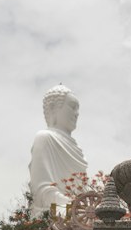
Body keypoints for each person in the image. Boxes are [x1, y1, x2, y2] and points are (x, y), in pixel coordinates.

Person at [29, 84, 88, 216]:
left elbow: (83, 190)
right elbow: (41, 190)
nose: (77, 113)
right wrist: (70, 203)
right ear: (53, 108)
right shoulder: (44, 138)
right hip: (54, 210)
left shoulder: (77, 149)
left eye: (78, 109)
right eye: (72, 107)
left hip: (78, 210)